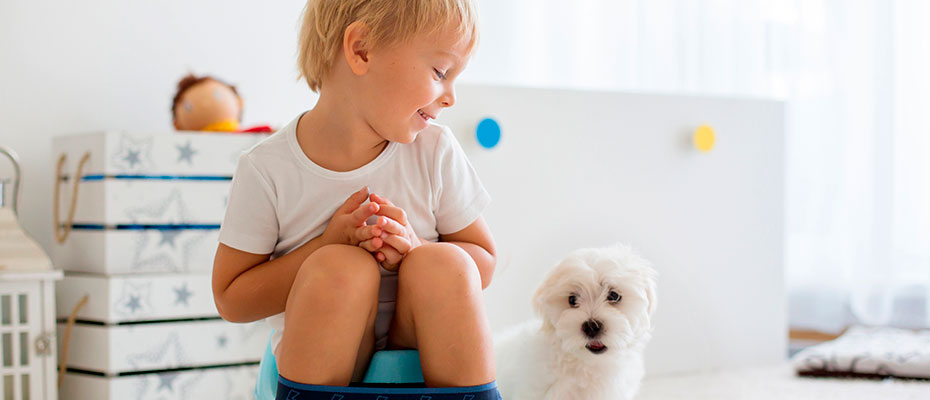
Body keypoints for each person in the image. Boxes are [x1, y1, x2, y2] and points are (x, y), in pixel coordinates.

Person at [211, 0, 499, 398]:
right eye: (440, 72)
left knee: (445, 263)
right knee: (338, 269)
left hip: (417, 354)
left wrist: (416, 250)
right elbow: (232, 299)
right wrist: (321, 247)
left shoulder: (435, 151)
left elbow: (484, 260)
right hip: (319, 367)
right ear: (361, 49)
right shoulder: (269, 168)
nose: (450, 97)